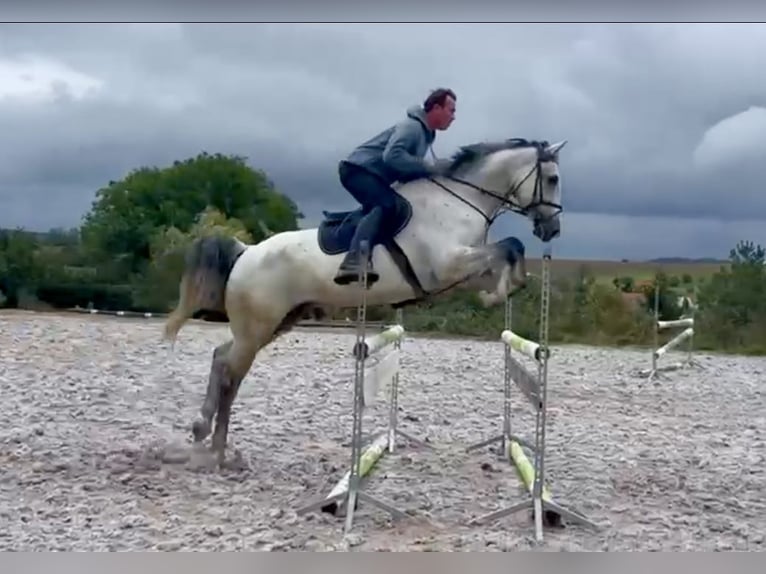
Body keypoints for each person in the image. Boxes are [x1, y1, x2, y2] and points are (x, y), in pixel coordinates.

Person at [333, 87, 457, 287]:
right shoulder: (413, 127)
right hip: (358, 170)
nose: (453, 117)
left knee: (397, 205)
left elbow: (405, 167)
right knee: (387, 205)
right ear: (436, 108)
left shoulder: (426, 135)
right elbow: (392, 156)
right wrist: (430, 167)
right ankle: (353, 261)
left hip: (372, 175)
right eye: (451, 110)